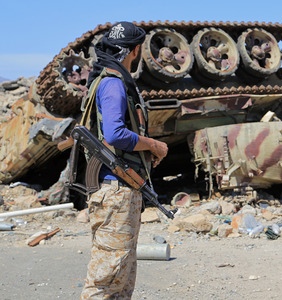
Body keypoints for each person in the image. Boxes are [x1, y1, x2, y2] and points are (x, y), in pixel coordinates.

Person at [80, 21, 168, 299]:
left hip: (122, 191)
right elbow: (115, 134)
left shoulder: (109, 80)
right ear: (136, 50)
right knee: (106, 279)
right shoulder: (113, 84)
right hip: (115, 191)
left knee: (122, 278)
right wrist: (154, 145)